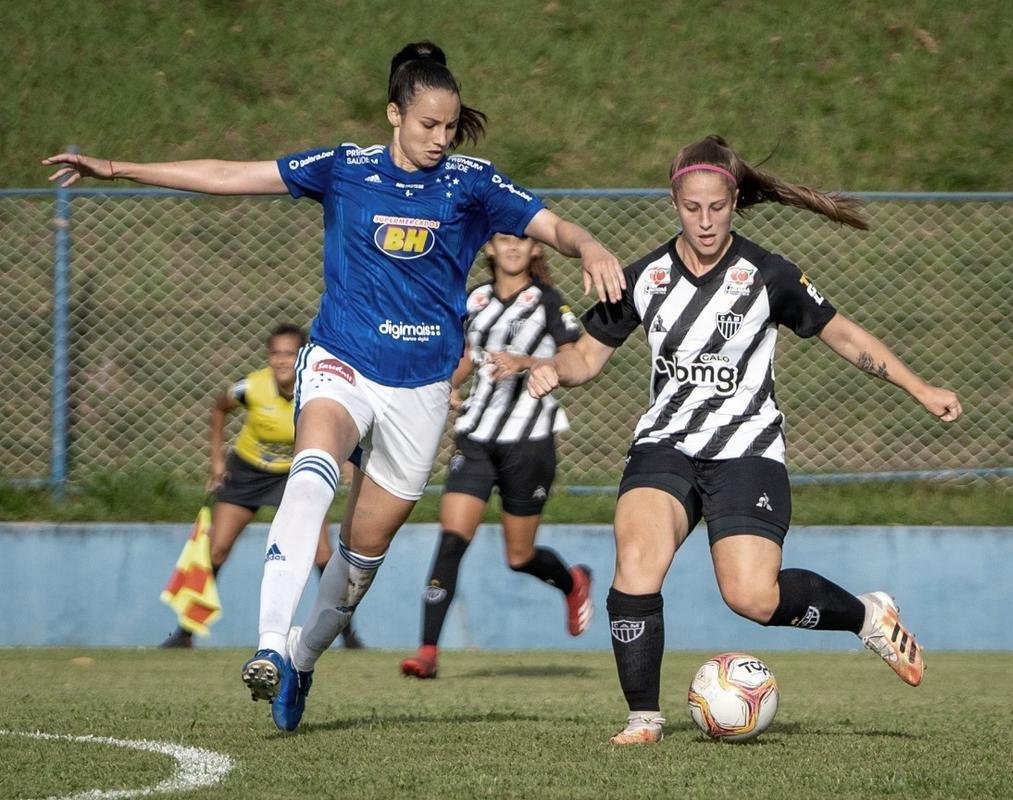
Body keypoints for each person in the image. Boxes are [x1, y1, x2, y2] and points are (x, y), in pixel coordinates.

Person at [45, 41, 623, 733]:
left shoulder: (471, 183)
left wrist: (586, 244)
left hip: (421, 390)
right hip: (342, 359)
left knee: (358, 562)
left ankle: (301, 658)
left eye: (448, 127)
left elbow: (549, 225)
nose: (440, 139)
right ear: (393, 114)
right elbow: (230, 174)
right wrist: (118, 168)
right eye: (426, 126)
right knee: (312, 468)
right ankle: (265, 644)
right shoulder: (344, 169)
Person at [514, 134, 963, 745]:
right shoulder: (643, 277)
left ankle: (867, 616)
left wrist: (919, 387)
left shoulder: (768, 275)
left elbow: (846, 337)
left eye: (717, 208)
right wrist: (551, 369)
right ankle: (644, 717)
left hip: (747, 453)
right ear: (674, 202)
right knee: (637, 560)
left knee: (752, 597)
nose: (704, 221)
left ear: (734, 203)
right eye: (692, 207)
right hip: (666, 446)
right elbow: (586, 358)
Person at [400, 234, 592, 680]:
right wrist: (447, 384)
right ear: (488, 248)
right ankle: (427, 650)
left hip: (529, 441)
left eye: (522, 242)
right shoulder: (476, 298)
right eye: (504, 240)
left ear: (535, 251)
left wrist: (526, 362)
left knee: (519, 556)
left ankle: (572, 581)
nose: (512, 248)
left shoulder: (547, 301)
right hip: (476, 437)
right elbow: (466, 356)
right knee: (451, 539)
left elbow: (572, 355)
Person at [159, 324, 363, 650]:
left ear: (303, 358)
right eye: (276, 353)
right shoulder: (251, 387)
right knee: (217, 548)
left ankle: (348, 636)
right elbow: (219, 408)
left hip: (293, 474)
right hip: (248, 472)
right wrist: (216, 462)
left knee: (321, 552)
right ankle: (185, 633)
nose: (282, 361)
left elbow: (343, 424)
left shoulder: (316, 388)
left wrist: (348, 465)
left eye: (289, 354)